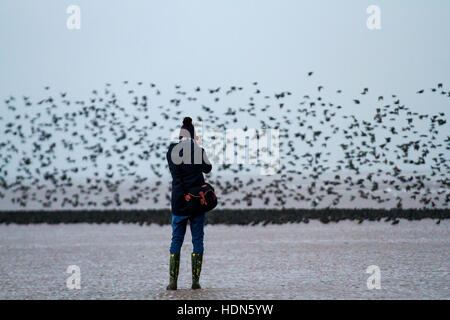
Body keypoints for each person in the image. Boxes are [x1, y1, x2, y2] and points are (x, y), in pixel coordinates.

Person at [165, 117, 212, 290]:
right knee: (197, 240)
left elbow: (176, 174)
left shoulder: (172, 152)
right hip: (197, 202)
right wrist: (199, 149)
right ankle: (195, 282)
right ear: (192, 136)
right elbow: (208, 168)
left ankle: (173, 283)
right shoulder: (198, 151)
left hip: (179, 202)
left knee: (176, 240)